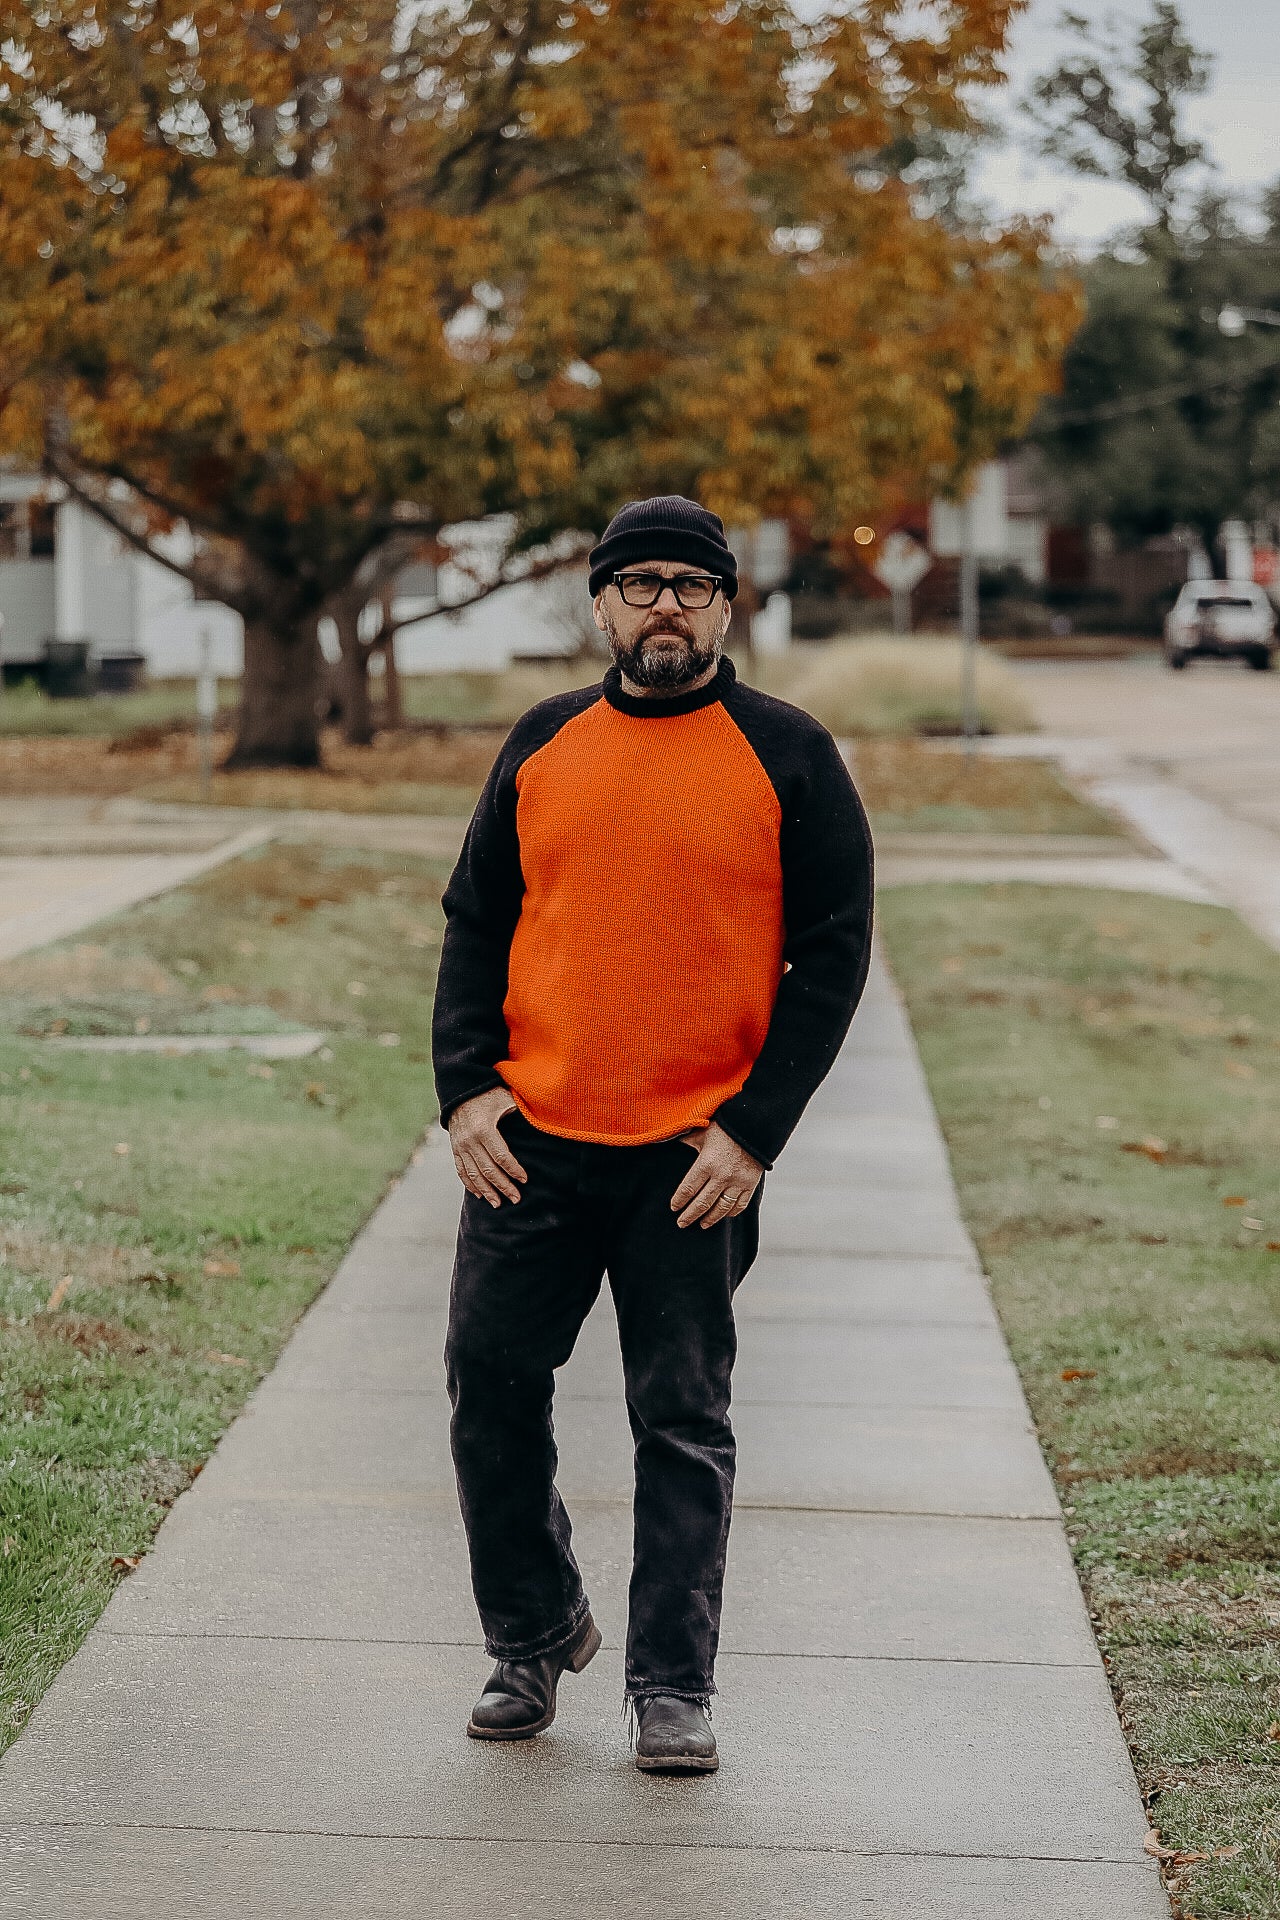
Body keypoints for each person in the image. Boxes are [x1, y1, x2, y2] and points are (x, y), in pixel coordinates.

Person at [432, 495, 874, 1773]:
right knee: (489, 1391)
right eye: (639, 584)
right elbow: (476, 920)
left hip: (693, 1165)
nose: (664, 603)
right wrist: (466, 1089)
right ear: (601, 605)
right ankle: (531, 1634)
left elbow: (830, 958)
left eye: (691, 583)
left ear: (728, 605)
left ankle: (671, 1686)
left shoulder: (787, 753)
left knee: (678, 1418)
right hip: (534, 1146)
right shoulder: (543, 741)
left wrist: (752, 1134)